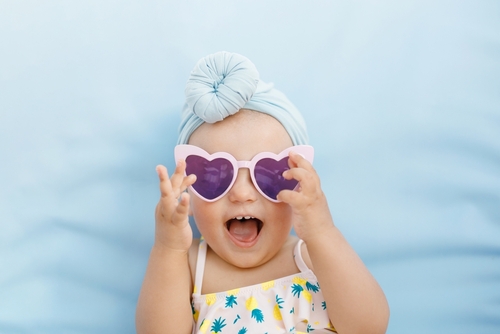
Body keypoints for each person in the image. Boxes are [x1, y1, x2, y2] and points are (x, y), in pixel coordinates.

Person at [136, 52, 389, 334]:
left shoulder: (310, 256)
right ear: (189, 190)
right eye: (215, 175)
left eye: (268, 174)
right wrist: (168, 247)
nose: (242, 193)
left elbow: (369, 327)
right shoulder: (192, 265)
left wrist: (321, 230)